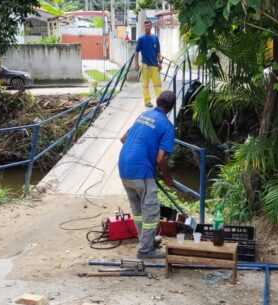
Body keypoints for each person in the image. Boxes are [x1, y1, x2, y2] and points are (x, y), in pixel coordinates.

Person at [119, 91, 176, 259]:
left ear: (157, 101)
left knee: (137, 210)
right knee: (151, 212)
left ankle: (145, 240)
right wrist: (167, 178)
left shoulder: (144, 115)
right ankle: (146, 250)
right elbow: (160, 159)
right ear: (171, 108)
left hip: (124, 167)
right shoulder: (167, 126)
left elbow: (123, 138)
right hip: (141, 170)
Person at [136, 20, 162, 108]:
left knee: (158, 84)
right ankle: (147, 101)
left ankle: (160, 102)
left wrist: (160, 62)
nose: (147, 27)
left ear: (151, 26)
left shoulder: (155, 38)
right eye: (146, 26)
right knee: (145, 85)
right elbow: (136, 52)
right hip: (145, 65)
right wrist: (136, 64)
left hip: (155, 65)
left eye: (148, 26)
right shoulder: (141, 39)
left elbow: (158, 51)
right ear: (144, 27)